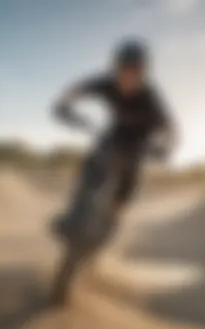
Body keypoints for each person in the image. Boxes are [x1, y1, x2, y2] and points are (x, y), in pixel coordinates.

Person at [49, 38, 178, 306]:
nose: (128, 78)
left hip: (139, 149)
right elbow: (77, 88)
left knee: (121, 200)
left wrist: (166, 148)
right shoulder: (105, 83)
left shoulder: (151, 98)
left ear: (143, 74)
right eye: (123, 71)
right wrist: (63, 104)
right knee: (91, 164)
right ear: (115, 69)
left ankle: (102, 238)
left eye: (135, 73)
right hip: (113, 137)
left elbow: (171, 130)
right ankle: (72, 215)